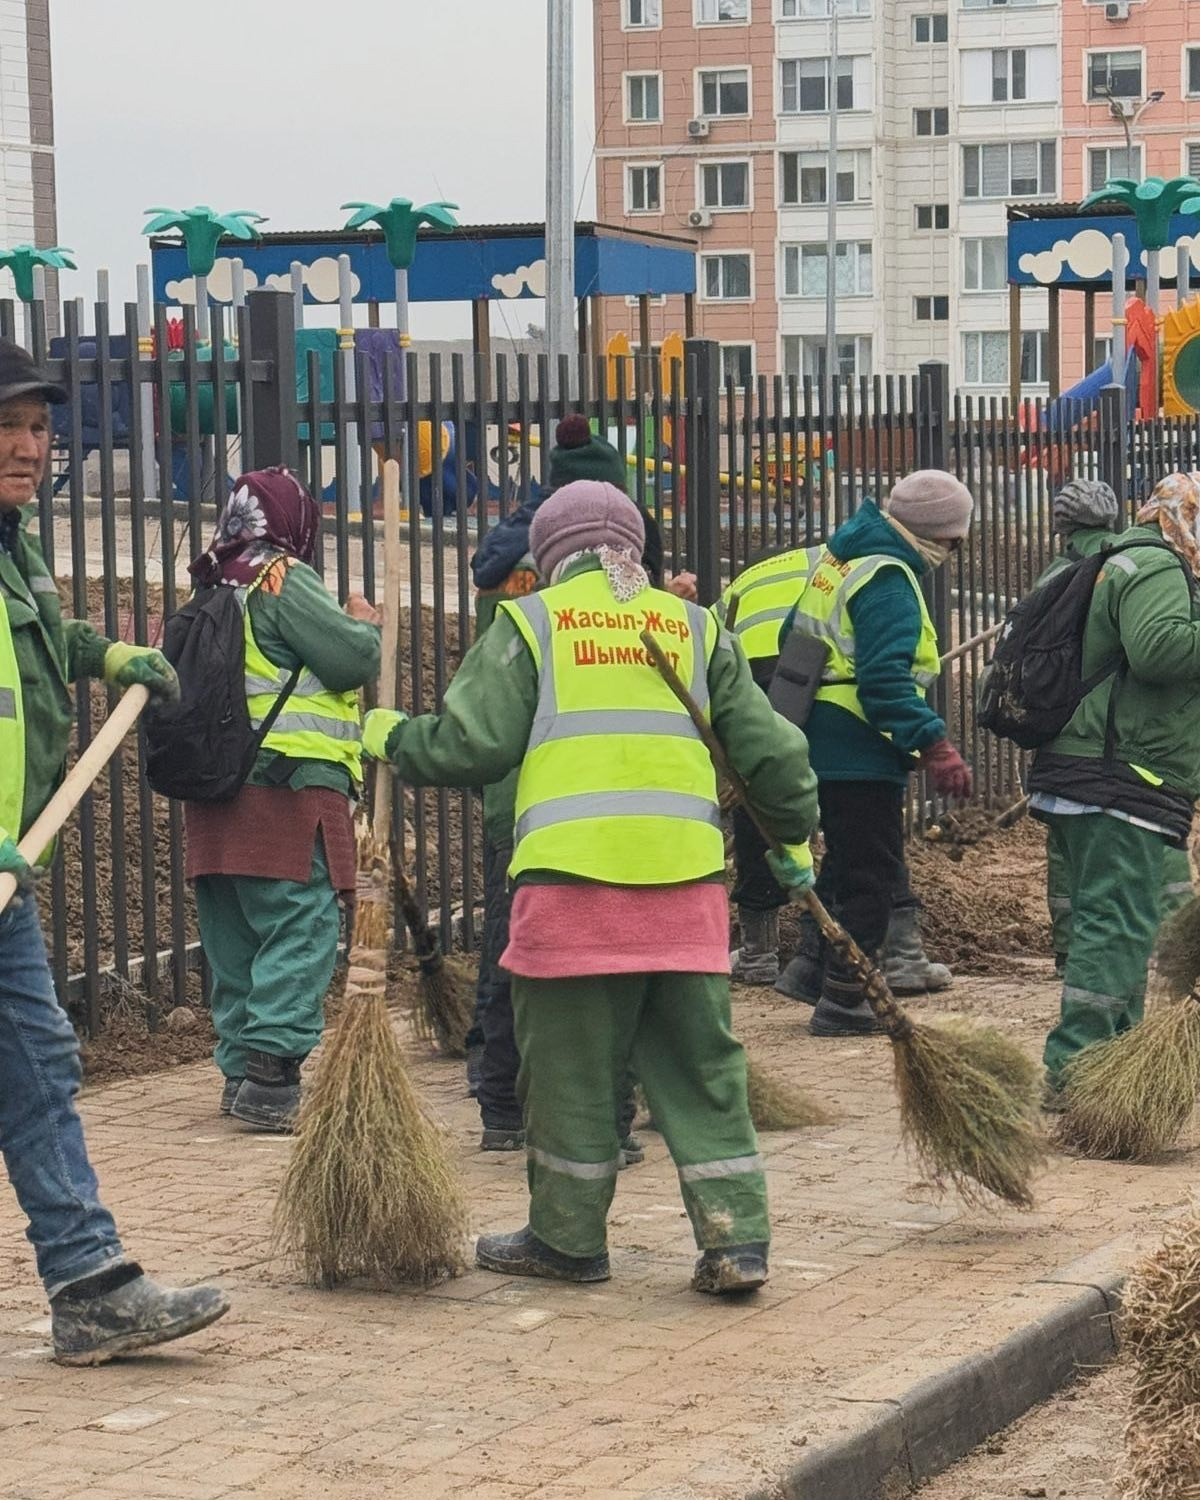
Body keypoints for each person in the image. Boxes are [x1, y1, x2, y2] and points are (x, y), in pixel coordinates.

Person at [364, 480, 818, 1293]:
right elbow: (774, 757)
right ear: (634, 549)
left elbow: (471, 743)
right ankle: (736, 1240)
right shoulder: (691, 625)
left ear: (547, 553)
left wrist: (392, 737)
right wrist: (789, 839)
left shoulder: (534, 623)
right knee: (701, 1071)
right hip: (685, 899)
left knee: (568, 1075)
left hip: (571, 897)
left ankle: (568, 1241)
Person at [0, 337, 229, 1363]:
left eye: (39, 427)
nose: (26, 445)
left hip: (8, 875)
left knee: (38, 1062)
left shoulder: (14, 547)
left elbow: (42, 641)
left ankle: (90, 1284)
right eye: (6, 426)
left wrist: (106, 654)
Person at [465, 415, 695, 1155]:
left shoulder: (514, 554)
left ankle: (504, 1097)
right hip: (579, 798)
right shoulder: (588, 583)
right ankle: (569, 1114)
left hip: (533, 793)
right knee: (577, 966)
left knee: (516, 947)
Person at [185, 468, 381, 1130]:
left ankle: (240, 1072)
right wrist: (363, 624)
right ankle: (272, 1077)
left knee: (235, 936)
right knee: (299, 928)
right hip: (289, 788)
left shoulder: (212, 579)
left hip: (215, 794)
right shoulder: (278, 576)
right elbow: (351, 659)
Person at [777, 472, 974, 1037]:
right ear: (937, 533)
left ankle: (808, 969)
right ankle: (844, 1001)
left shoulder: (843, 560)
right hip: (860, 745)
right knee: (875, 878)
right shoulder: (887, 577)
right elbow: (884, 683)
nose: (952, 552)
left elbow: (800, 641)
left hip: (821, 734)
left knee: (844, 861)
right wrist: (936, 744)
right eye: (954, 540)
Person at [1031, 471, 1200, 1106]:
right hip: (1118, 775)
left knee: (1117, 923)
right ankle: (1075, 1070)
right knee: (1115, 925)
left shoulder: (1118, 560)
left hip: (1091, 772)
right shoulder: (1155, 564)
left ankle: (1114, 1063)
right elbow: (1158, 651)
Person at [718, 544, 953, 998]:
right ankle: (899, 956)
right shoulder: (858, 567)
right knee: (865, 827)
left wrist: (732, 767)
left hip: (758, 673)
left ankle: (760, 953)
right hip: (820, 673)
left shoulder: (748, 576)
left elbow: (714, 647)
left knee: (761, 807)